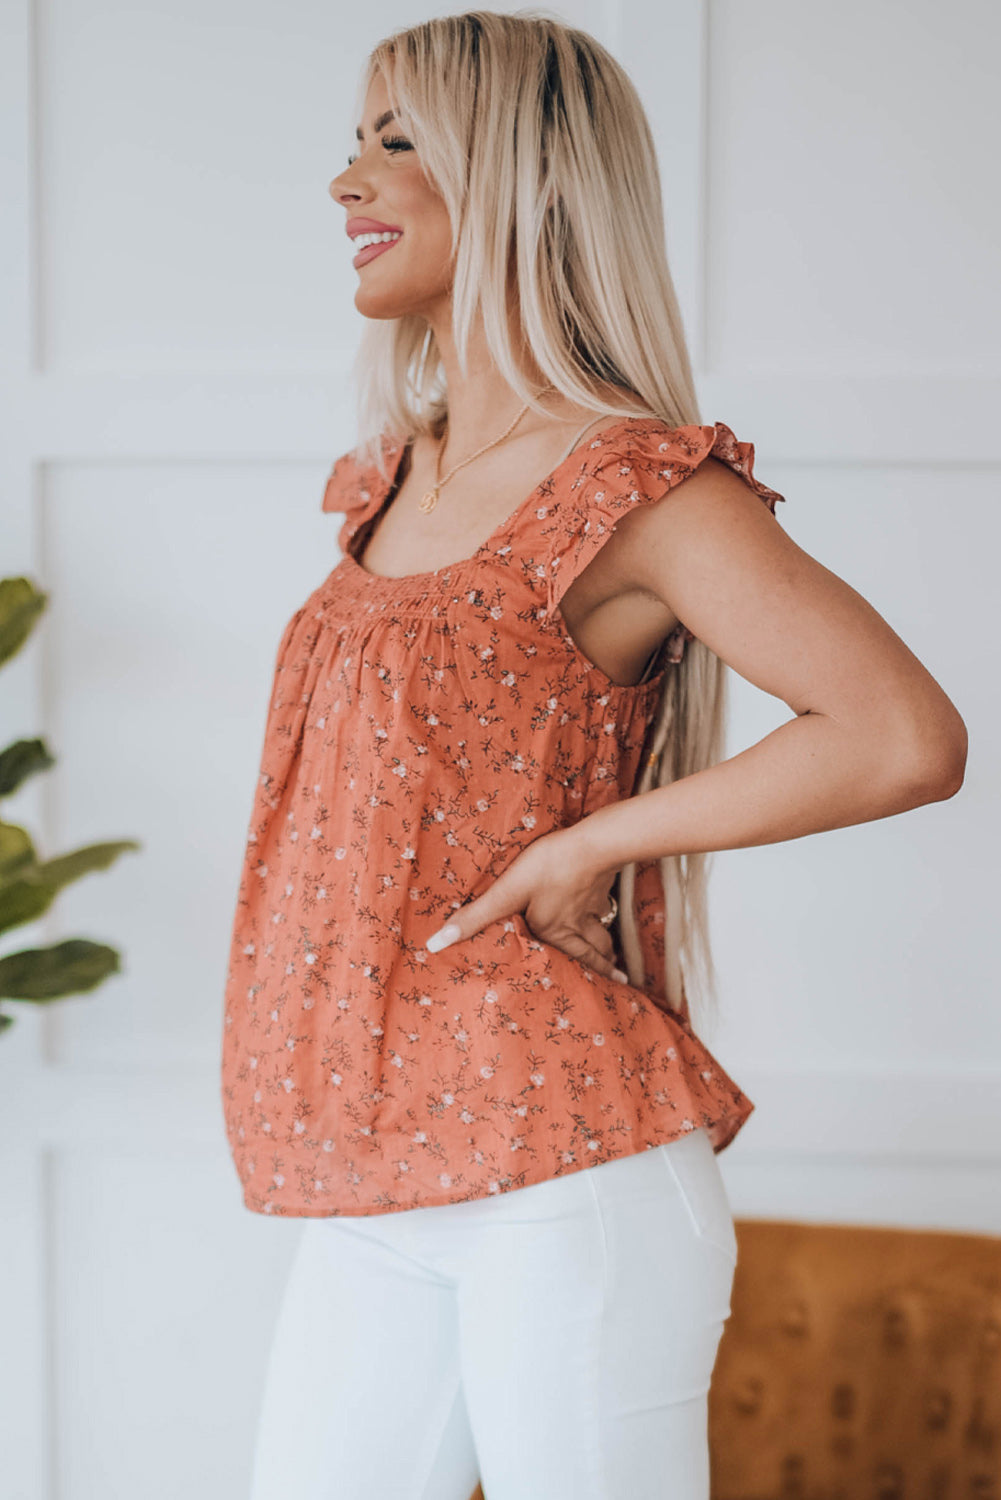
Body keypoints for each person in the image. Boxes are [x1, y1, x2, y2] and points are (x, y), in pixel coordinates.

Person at [220, 12, 967, 1499]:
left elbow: (899, 737)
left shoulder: (630, 486)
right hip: (373, 1168)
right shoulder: (393, 473)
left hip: (556, 1174)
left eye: (393, 140)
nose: (342, 184)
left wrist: (586, 847)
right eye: (352, 141)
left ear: (519, 181)